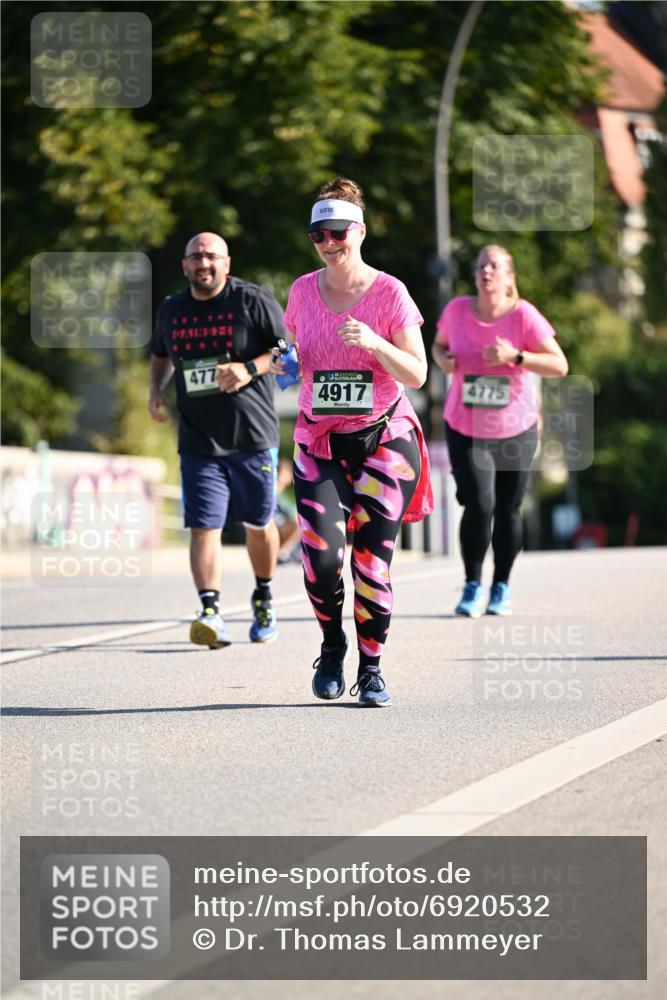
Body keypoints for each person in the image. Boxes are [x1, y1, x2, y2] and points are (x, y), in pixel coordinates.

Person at [271, 178, 433, 707]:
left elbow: (418, 373)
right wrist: (284, 364)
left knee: (370, 563)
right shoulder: (301, 290)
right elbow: (295, 360)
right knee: (321, 560)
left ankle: (372, 668)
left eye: (337, 232)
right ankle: (332, 646)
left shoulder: (390, 293)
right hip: (319, 440)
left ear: (359, 232)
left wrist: (375, 342)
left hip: (384, 437)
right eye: (318, 234)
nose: (327, 242)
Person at [149, 231, 285, 648]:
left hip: (252, 436)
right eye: (195, 257)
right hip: (198, 439)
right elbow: (161, 354)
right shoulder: (172, 309)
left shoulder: (251, 300)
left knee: (258, 524)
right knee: (204, 527)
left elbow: (287, 353)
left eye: (211, 256)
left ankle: (264, 596)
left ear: (226, 263)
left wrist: (248, 368)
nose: (203, 263)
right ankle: (210, 611)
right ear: (185, 265)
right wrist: (155, 390)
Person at [432, 244, 568, 618]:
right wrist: (444, 360)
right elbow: (438, 347)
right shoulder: (457, 310)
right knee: (479, 503)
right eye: (481, 266)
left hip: (515, 427)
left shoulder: (523, 315)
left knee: (507, 508)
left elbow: (559, 365)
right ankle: (472, 584)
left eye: (494, 266)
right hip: (465, 425)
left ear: (509, 276)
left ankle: (501, 586)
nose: (486, 271)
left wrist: (516, 357)